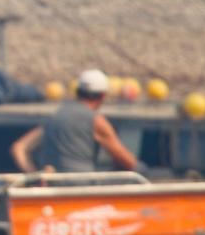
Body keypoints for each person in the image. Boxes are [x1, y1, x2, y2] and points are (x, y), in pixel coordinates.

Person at [11, 68, 140, 175]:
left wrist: (33, 175)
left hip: (51, 185)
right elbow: (126, 161)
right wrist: (144, 171)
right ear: (102, 96)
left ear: (77, 92)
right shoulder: (96, 121)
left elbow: (19, 148)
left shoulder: (55, 117)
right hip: (82, 187)